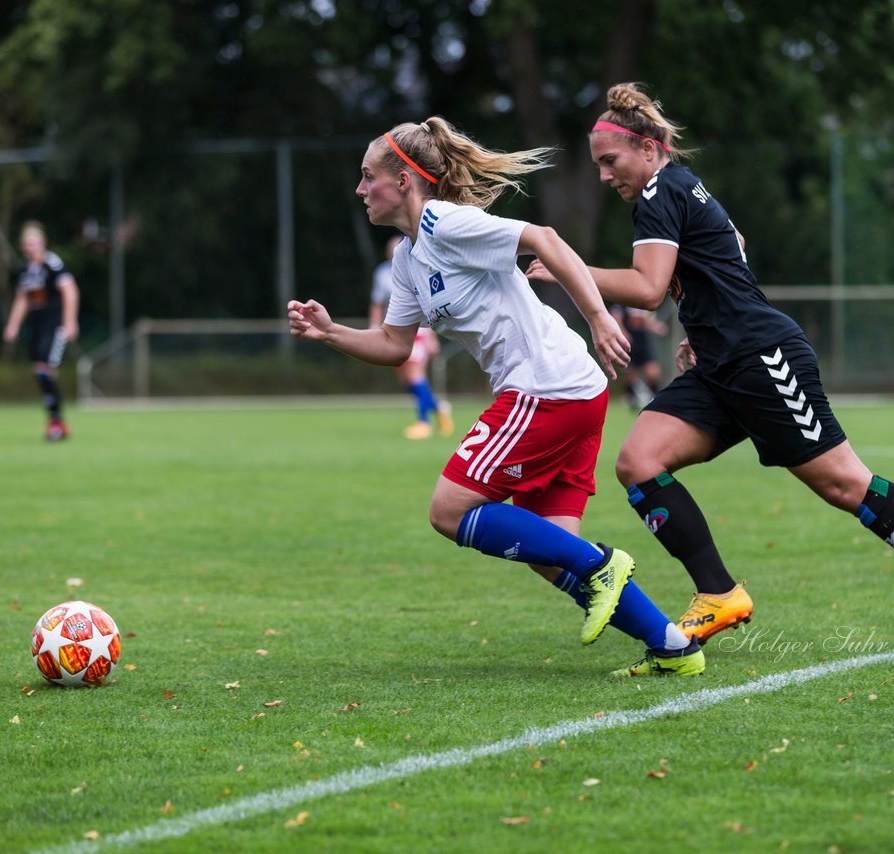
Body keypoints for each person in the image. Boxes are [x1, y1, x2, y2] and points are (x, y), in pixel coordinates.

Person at [527, 82, 894, 660]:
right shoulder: (679, 188)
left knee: (846, 485)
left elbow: (649, 289)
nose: (604, 175)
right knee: (639, 462)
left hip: (763, 359)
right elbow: (730, 247)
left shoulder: (660, 188)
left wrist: (566, 266)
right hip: (721, 363)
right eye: (597, 165)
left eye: (610, 161)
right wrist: (700, 328)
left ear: (648, 148)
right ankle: (718, 594)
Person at [288, 117, 704, 676]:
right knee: (547, 550)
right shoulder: (409, 259)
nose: (360, 189)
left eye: (368, 177)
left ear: (405, 182)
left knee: (449, 510)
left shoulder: (444, 223)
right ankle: (672, 646)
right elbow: (393, 345)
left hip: (545, 387)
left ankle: (602, 565)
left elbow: (545, 240)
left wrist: (601, 318)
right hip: (570, 389)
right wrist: (330, 331)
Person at [369, 234, 454, 438]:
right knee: (406, 377)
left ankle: (423, 422)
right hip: (395, 327)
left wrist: (432, 337)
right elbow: (377, 303)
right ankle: (438, 407)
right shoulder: (381, 273)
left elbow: (429, 303)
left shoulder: (418, 265)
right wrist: (374, 327)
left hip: (419, 329)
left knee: (415, 373)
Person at [3, 221, 80, 440]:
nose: (30, 247)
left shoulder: (53, 264)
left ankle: (56, 423)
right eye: (26, 244)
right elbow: (22, 299)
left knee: (48, 369)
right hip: (36, 326)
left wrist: (70, 321)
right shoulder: (25, 270)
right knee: (40, 371)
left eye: (33, 243)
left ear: (42, 243)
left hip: (54, 325)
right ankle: (56, 421)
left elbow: (70, 291)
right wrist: (13, 325)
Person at [611, 305, 667, 409]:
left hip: (643, 341)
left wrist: (657, 328)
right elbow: (616, 319)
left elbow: (649, 322)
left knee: (653, 371)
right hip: (629, 342)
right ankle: (631, 397)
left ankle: (656, 398)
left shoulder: (643, 305)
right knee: (630, 374)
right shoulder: (621, 305)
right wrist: (623, 333)